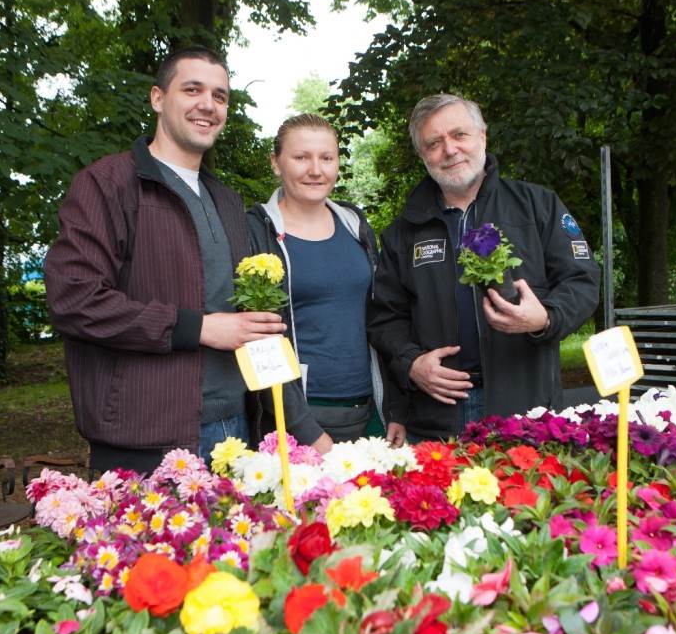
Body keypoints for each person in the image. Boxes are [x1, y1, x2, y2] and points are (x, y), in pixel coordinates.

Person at [45, 45, 303, 473]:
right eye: (192, 89)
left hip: (235, 424)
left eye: (220, 96)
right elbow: (75, 299)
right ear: (158, 98)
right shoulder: (108, 184)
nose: (208, 105)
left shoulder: (226, 200)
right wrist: (199, 327)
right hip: (145, 434)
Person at [367, 94, 600, 441]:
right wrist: (411, 363)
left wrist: (546, 318)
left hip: (525, 408)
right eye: (434, 143)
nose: (449, 150)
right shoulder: (404, 231)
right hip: (436, 417)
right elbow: (385, 318)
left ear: (483, 136)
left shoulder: (538, 206)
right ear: (422, 155)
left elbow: (582, 281)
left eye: (459, 135)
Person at [247, 114, 406, 448]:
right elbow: (257, 341)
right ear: (276, 163)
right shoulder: (255, 231)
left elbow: (381, 317)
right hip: (301, 416)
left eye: (326, 158)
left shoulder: (355, 224)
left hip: (369, 408)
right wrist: (307, 432)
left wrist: (395, 408)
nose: (316, 170)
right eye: (301, 157)